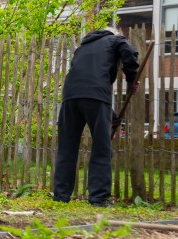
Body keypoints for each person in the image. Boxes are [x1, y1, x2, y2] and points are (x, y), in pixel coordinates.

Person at [53, 27, 140, 207]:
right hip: (96, 96)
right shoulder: (115, 40)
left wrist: (112, 116)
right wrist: (131, 80)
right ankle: (98, 198)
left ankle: (61, 196)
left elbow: (86, 80)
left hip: (70, 97)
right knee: (101, 147)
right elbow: (130, 52)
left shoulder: (82, 48)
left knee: (66, 148)